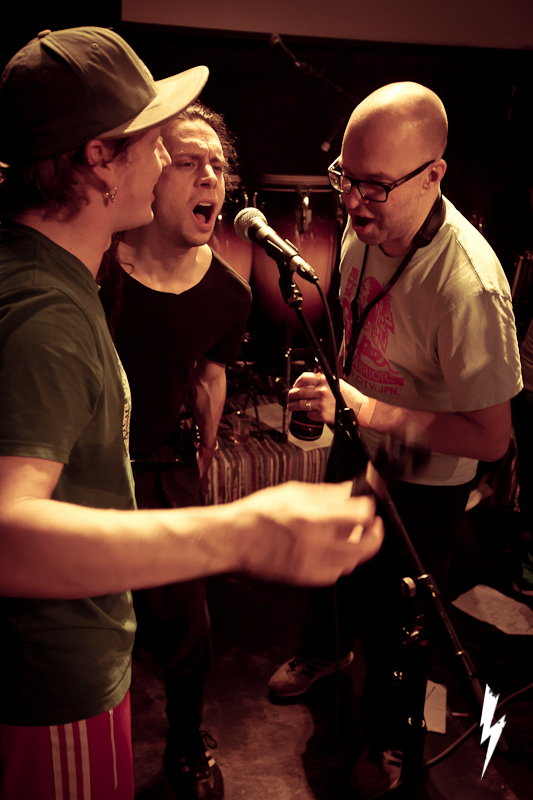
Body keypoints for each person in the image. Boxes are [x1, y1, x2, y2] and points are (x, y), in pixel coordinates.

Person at [0, 27, 386, 800]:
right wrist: (241, 532)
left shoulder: (51, 275)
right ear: (99, 159)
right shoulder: (47, 315)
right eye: (153, 139)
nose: (168, 160)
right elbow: (8, 540)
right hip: (51, 686)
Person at [268, 82, 523, 798]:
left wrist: (363, 408)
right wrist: (337, 395)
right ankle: (323, 652)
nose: (353, 204)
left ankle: (386, 738)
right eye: (346, 178)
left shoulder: (470, 286)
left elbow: (492, 440)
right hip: (361, 436)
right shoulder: (368, 223)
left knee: (397, 622)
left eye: (374, 186)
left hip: (425, 479)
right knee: (332, 568)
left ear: (434, 175)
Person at [97, 102, 252, 800]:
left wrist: (201, 466)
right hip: (88, 468)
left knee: (190, 628)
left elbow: (210, 377)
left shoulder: (229, 294)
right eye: (188, 161)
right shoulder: (97, 269)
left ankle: (186, 744)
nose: (209, 177)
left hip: (166, 465)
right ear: (152, 174)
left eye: (217, 165)